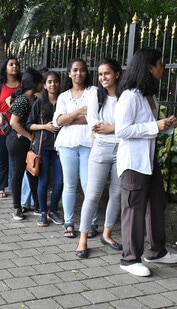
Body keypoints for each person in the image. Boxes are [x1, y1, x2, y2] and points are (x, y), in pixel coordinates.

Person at [114, 47, 177, 277]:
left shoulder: (148, 95)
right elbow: (121, 130)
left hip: (148, 159)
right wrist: (155, 126)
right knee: (134, 209)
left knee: (156, 204)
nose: (163, 67)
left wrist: (164, 126)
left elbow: (149, 129)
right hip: (133, 162)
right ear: (148, 67)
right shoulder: (130, 95)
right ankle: (130, 258)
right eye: (160, 63)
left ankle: (156, 251)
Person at [75, 58, 123, 258]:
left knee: (117, 194)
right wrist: (119, 129)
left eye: (107, 73)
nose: (103, 77)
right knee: (93, 195)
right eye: (101, 74)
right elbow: (95, 124)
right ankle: (83, 239)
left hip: (122, 149)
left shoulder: (125, 95)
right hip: (101, 148)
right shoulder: (95, 93)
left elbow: (128, 124)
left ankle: (107, 233)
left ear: (117, 74)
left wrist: (113, 128)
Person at [53, 58, 98, 238]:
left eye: (82, 70)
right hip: (67, 144)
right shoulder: (64, 96)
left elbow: (94, 118)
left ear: (86, 73)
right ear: (69, 73)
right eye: (75, 70)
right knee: (70, 185)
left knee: (89, 185)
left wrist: (69, 119)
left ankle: (91, 223)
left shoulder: (93, 92)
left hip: (88, 143)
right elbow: (57, 122)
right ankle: (69, 222)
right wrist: (79, 112)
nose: (79, 73)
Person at [27, 70, 64, 227]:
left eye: (55, 81)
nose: (53, 84)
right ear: (45, 84)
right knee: (43, 181)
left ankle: (53, 210)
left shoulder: (64, 101)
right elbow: (29, 124)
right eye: (49, 82)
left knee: (60, 181)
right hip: (43, 147)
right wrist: (45, 127)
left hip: (61, 148)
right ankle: (42, 211)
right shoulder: (39, 103)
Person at [6, 67, 44, 220]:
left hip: (27, 142)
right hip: (17, 141)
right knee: (18, 173)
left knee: (33, 172)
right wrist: (30, 137)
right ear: (34, 83)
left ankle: (37, 205)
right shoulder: (23, 100)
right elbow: (14, 122)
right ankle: (17, 207)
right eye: (41, 81)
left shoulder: (34, 99)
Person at [0, 56, 23, 198]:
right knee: (1, 158)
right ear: (5, 68)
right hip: (0, 130)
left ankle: (15, 187)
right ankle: (1, 186)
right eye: (11, 64)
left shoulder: (22, 86)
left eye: (16, 64)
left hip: (18, 130)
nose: (14, 67)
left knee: (16, 160)